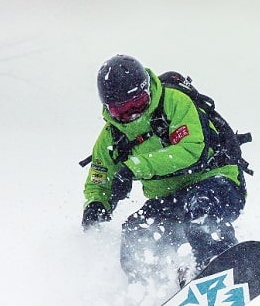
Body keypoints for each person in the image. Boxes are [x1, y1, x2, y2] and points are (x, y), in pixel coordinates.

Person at [80, 54, 248, 289]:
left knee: (200, 206)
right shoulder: (112, 136)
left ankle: (216, 267)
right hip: (170, 199)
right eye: (122, 110)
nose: (133, 115)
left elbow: (191, 150)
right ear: (108, 108)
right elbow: (99, 179)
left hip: (217, 182)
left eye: (138, 104)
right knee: (136, 229)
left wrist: (134, 168)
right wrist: (97, 204)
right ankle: (150, 290)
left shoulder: (174, 103)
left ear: (148, 91)